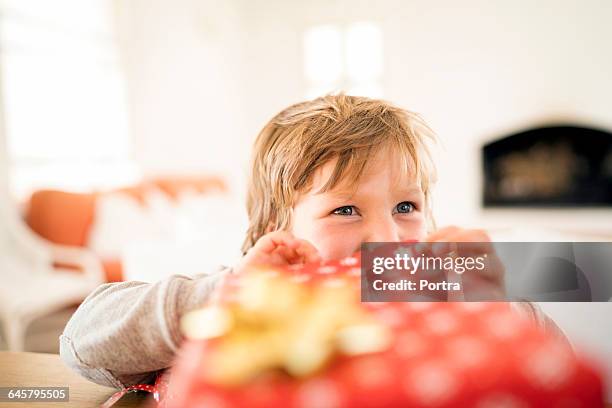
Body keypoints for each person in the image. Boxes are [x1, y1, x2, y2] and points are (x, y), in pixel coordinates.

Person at [60, 94, 567, 388]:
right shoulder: (245, 298)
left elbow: (549, 364)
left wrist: (490, 301)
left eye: (406, 207)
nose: (388, 237)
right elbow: (82, 344)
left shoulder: (439, 292)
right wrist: (230, 295)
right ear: (274, 233)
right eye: (345, 210)